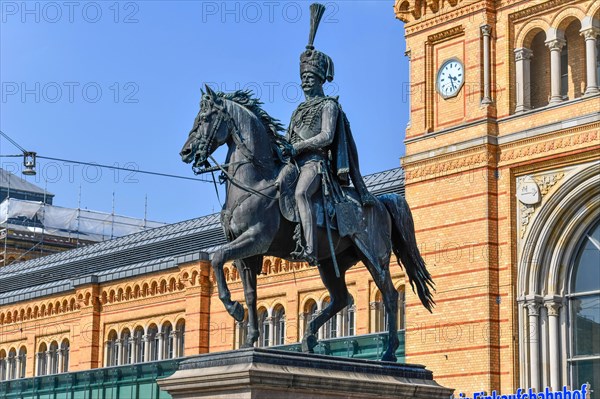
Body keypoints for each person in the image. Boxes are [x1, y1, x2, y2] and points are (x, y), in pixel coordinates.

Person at [287, 4, 375, 266]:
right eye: (302, 76)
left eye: (310, 76)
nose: (304, 81)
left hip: (316, 164)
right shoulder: (298, 110)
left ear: (320, 79)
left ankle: (310, 248)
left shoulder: (329, 106)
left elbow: (326, 137)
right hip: (294, 163)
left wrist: (299, 146)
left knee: (301, 193)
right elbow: (290, 138)